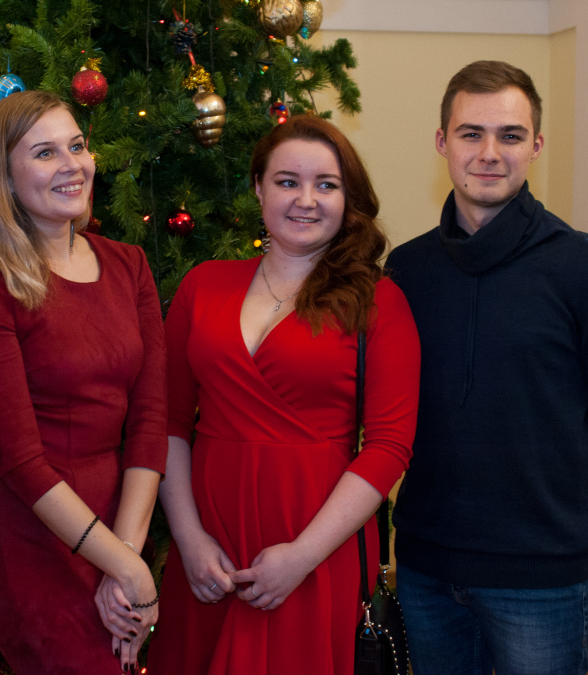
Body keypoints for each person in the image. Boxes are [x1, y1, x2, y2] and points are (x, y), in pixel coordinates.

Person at [387, 60, 588, 675]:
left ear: (536, 145)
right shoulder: (406, 271)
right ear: (442, 142)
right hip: (425, 570)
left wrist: (565, 520)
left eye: (509, 135)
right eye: (470, 133)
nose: (489, 153)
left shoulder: (584, 267)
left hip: (542, 581)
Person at [147, 115, 421, 674]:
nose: (306, 200)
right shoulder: (203, 285)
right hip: (208, 554)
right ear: (258, 188)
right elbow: (168, 423)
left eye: (326, 185)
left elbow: (389, 446)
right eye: (287, 181)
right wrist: (189, 539)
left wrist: (301, 557)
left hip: (316, 548)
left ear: (348, 198)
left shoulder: (379, 302)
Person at [0, 90, 167, 674]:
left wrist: (125, 556)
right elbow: (20, 460)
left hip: (118, 521)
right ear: (3, 178)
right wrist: (125, 565)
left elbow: (151, 420)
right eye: (45, 153)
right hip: (31, 536)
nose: (73, 165)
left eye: (77, 146)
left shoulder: (129, 265)